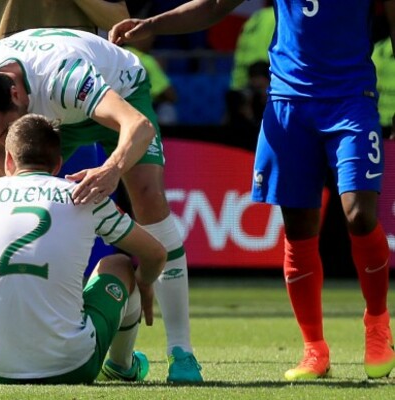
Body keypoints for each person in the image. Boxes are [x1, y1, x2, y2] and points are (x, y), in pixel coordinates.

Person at [110, 0, 395, 381]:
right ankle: (314, 350)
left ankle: (377, 324)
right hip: (288, 105)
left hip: (351, 102)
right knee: (297, 227)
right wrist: (154, 25)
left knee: (359, 215)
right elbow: (214, 5)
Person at [0, 28, 204, 383]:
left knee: (148, 200)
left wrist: (112, 170)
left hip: (118, 97)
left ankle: (181, 352)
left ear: (16, 93)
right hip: (49, 112)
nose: (5, 140)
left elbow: (138, 126)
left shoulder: (66, 77)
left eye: (8, 129)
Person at [0, 114, 165, 384]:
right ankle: (122, 365)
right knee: (119, 265)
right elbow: (155, 253)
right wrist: (144, 283)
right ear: (58, 164)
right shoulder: (85, 196)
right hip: (72, 366)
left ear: (8, 161)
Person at [0, 0, 130, 142]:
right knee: (12, 179)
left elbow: (122, 22)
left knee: (86, 181)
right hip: (10, 97)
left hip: (76, 86)